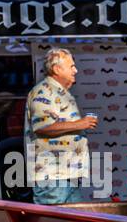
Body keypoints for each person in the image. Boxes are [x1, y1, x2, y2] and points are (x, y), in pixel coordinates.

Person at [24, 48, 97, 204]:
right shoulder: (42, 92)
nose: (75, 70)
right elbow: (41, 126)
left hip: (66, 175)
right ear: (57, 69)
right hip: (52, 178)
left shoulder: (61, 93)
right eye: (71, 66)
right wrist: (80, 123)